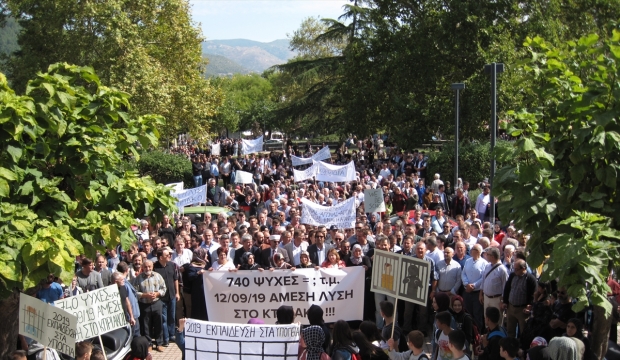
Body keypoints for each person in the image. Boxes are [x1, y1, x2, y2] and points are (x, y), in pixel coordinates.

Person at [131, 259, 167, 352]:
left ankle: (159, 343)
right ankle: (149, 343)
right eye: (146, 267)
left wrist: (157, 293)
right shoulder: (138, 278)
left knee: (158, 323)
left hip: (156, 303)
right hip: (144, 304)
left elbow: (164, 288)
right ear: (143, 267)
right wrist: (144, 295)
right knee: (146, 325)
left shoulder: (158, 276)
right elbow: (135, 291)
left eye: (149, 266)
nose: (148, 268)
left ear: (152, 267)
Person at [502, 259, 537, 338]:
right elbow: (507, 288)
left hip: (522, 309)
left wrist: (529, 305)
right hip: (511, 307)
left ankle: (522, 348)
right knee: (510, 330)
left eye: (517, 269)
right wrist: (505, 301)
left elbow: (533, 294)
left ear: (524, 268)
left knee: (523, 331)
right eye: (514, 269)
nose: (515, 271)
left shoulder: (530, 279)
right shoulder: (512, 275)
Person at [153, 248, 179, 347]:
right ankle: (166, 338)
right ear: (160, 257)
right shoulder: (155, 267)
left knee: (171, 317)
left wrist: (177, 293)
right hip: (161, 297)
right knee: (163, 318)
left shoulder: (172, 265)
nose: (169, 256)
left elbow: (175, 279)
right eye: (166, 255)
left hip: (171, 295)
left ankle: (172, 334)